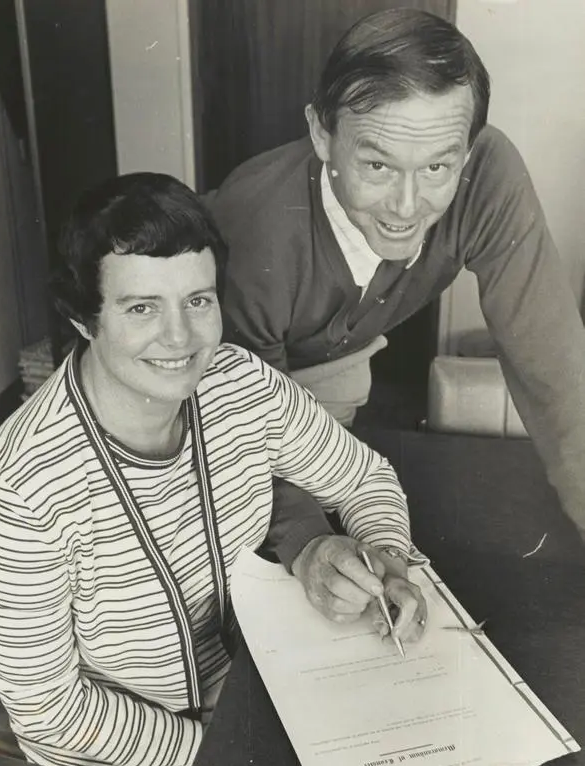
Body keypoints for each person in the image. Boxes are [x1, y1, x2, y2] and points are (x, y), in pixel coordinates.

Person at [0, 173, 428, 766]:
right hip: (142, 764)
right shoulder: (18, 489)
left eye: (198, 301)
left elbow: (363, 478)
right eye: (141, 308)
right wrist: (223, 750)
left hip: (279, 699)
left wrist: (387, 558)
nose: (180, 339)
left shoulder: (241, 383)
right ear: (83, 319)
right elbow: (49, 714)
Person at [208, 7, 585, 555]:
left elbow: (557, 371)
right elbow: (246, 428)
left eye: (437, 168)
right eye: (377, 166)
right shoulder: (254, 227)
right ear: (321, 133)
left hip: (327, 370)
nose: (407, 209)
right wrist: (310, 546)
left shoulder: (487, 173)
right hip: (214, 376)